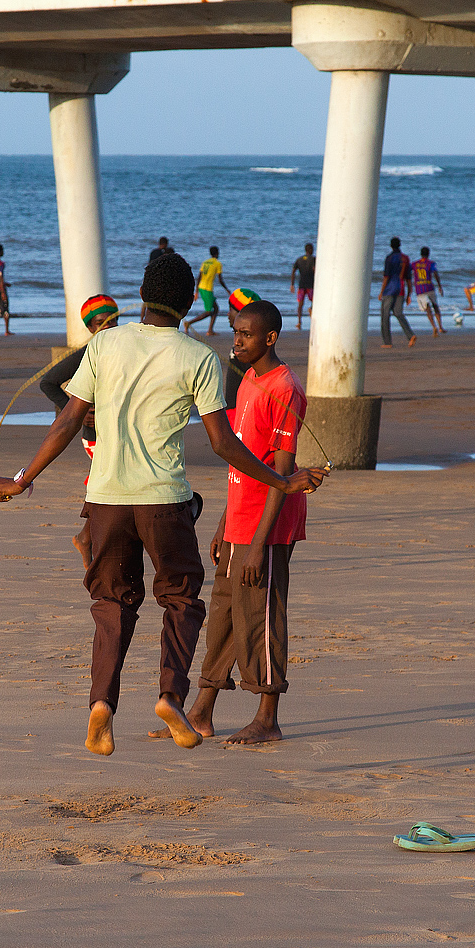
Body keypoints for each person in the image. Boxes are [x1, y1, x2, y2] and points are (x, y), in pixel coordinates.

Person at [0, 253, 325, 757]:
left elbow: (68, 420)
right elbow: (223, 443)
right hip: (164, 501)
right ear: (187, 303)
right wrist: (283, 481)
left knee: (110, 605)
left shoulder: (105, 344)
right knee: (181, 600)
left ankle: (102, 703)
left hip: (105, 500)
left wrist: (20, 480)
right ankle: (170, 696)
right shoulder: (199, 357)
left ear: (141, 295)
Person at [151, 299, 307, 746]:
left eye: (246, 334)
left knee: (260, 617)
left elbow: (282, 473)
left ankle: (267, 717)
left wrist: (258, 543)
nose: (236, 341)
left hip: (266, 528)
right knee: (224, 616)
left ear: (270, 338)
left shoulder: (285, 388)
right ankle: (201, 712)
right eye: (235, 332)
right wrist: (224, 522)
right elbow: (242, 460)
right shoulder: (246, 379)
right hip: (239, 521)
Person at [39, 293, 120, 568]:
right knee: (112, 491)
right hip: (96, 437)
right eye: (101, 323)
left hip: (122, 433)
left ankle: (86, 538)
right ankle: (88, 540)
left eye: (113, 320)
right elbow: (48, 383)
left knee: (114, 490)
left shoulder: (126, 350)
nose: (109, 326)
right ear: (90, 328)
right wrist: (77, 411)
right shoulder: (87, 353)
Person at [183, 246, 231, 336]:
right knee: (208, 311)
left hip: (202, 287)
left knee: (216, 308)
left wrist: (196, 291)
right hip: (207, 289)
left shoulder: (205, 262)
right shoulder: (217, 263)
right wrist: (227, 289)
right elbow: (220, 279)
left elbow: (199, 277)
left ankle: (210, 330)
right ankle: (189, 323)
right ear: (217, 253)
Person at [379, 237, 415, 347]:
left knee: (385, 315)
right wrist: (409, 294)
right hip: (401, 288)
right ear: (400, 245)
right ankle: (410, 335)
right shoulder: (405, 258)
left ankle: (387, 342)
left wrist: (381, 291)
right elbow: (408, 278)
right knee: (398, 313)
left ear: (391, 246)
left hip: (390, 289)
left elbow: (386, 276)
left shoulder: (389, 258)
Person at [411, 246, 444, 337]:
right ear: (428, 254)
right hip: (429, 287)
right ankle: (440, 326)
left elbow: (407, 272)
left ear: (421, 254)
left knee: (427, 308)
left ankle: (434, 326)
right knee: (435, 306)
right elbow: (435, 273)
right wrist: (439, 286)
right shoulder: (431, 263)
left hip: (420, 289)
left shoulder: (414, 264)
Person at [290, 243, 315, 329]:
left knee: (300, 304)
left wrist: (292, 285)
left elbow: (293, 271)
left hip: (301, 284)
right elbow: (315, 270)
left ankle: (299, 322)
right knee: (314, 301)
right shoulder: (313, 259)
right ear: (311, 250)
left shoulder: (299, 259)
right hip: (311, 284)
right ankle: (311, 309)